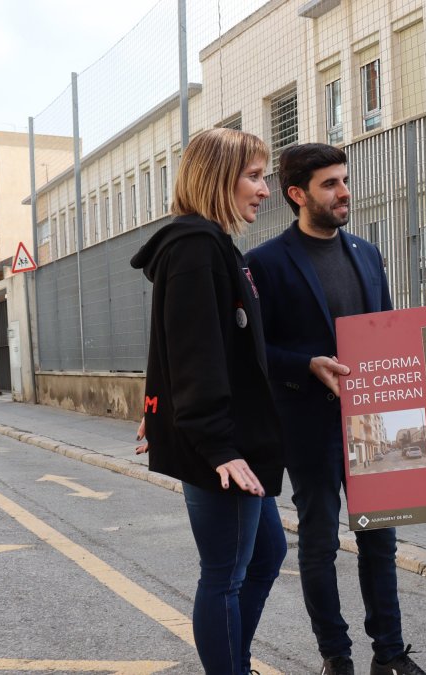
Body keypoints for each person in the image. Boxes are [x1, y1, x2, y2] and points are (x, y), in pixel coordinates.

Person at [245, 143, 426, 675]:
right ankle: (336, 657)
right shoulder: (265, 262)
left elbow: (387, 331)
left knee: (380, 540)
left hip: (373, 423)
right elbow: (258, 351)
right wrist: (307, 364)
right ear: (297, 194)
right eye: (329, 184)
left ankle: (389, 655)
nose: (344, 191)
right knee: (319, 543)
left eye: (344, 180)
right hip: (308, 424)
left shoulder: (368, 254)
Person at [130, 128, 286, 675]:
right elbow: (195, 355)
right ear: (218, 178)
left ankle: (232, 661)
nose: (265, 189)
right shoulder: (196, 248)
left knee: (267, 554)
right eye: (254, 175)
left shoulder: (211, 245)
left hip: (238, 440)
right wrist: (217, 444)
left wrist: (154, 404)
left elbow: (182, 345)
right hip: (225, 447)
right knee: (225, 573)